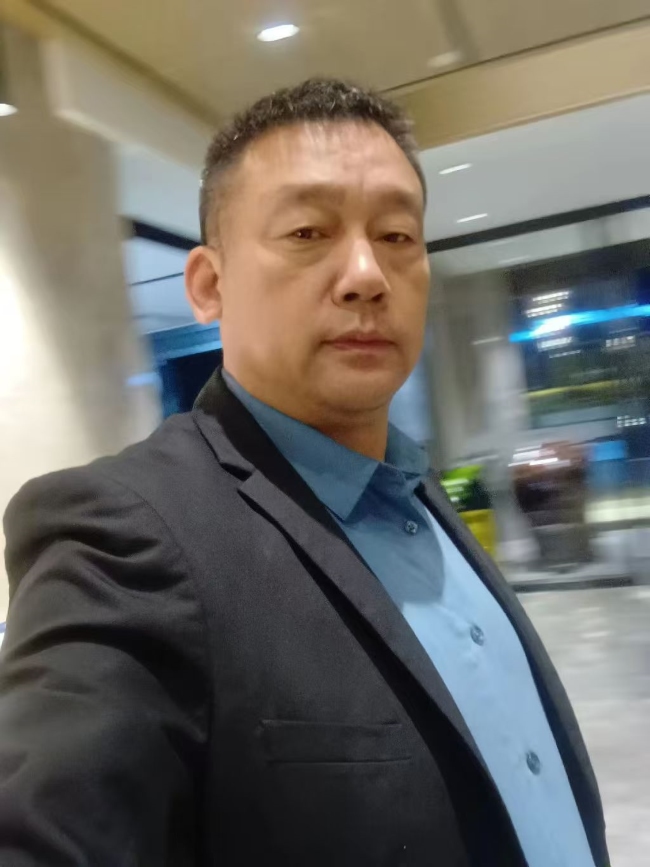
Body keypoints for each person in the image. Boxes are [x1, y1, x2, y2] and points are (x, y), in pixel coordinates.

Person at [0, 78, 607, 867]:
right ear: (209, 286)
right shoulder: (125, 534)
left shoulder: (415, 490)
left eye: (397, 235)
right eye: (308, 232)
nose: (367, 274)